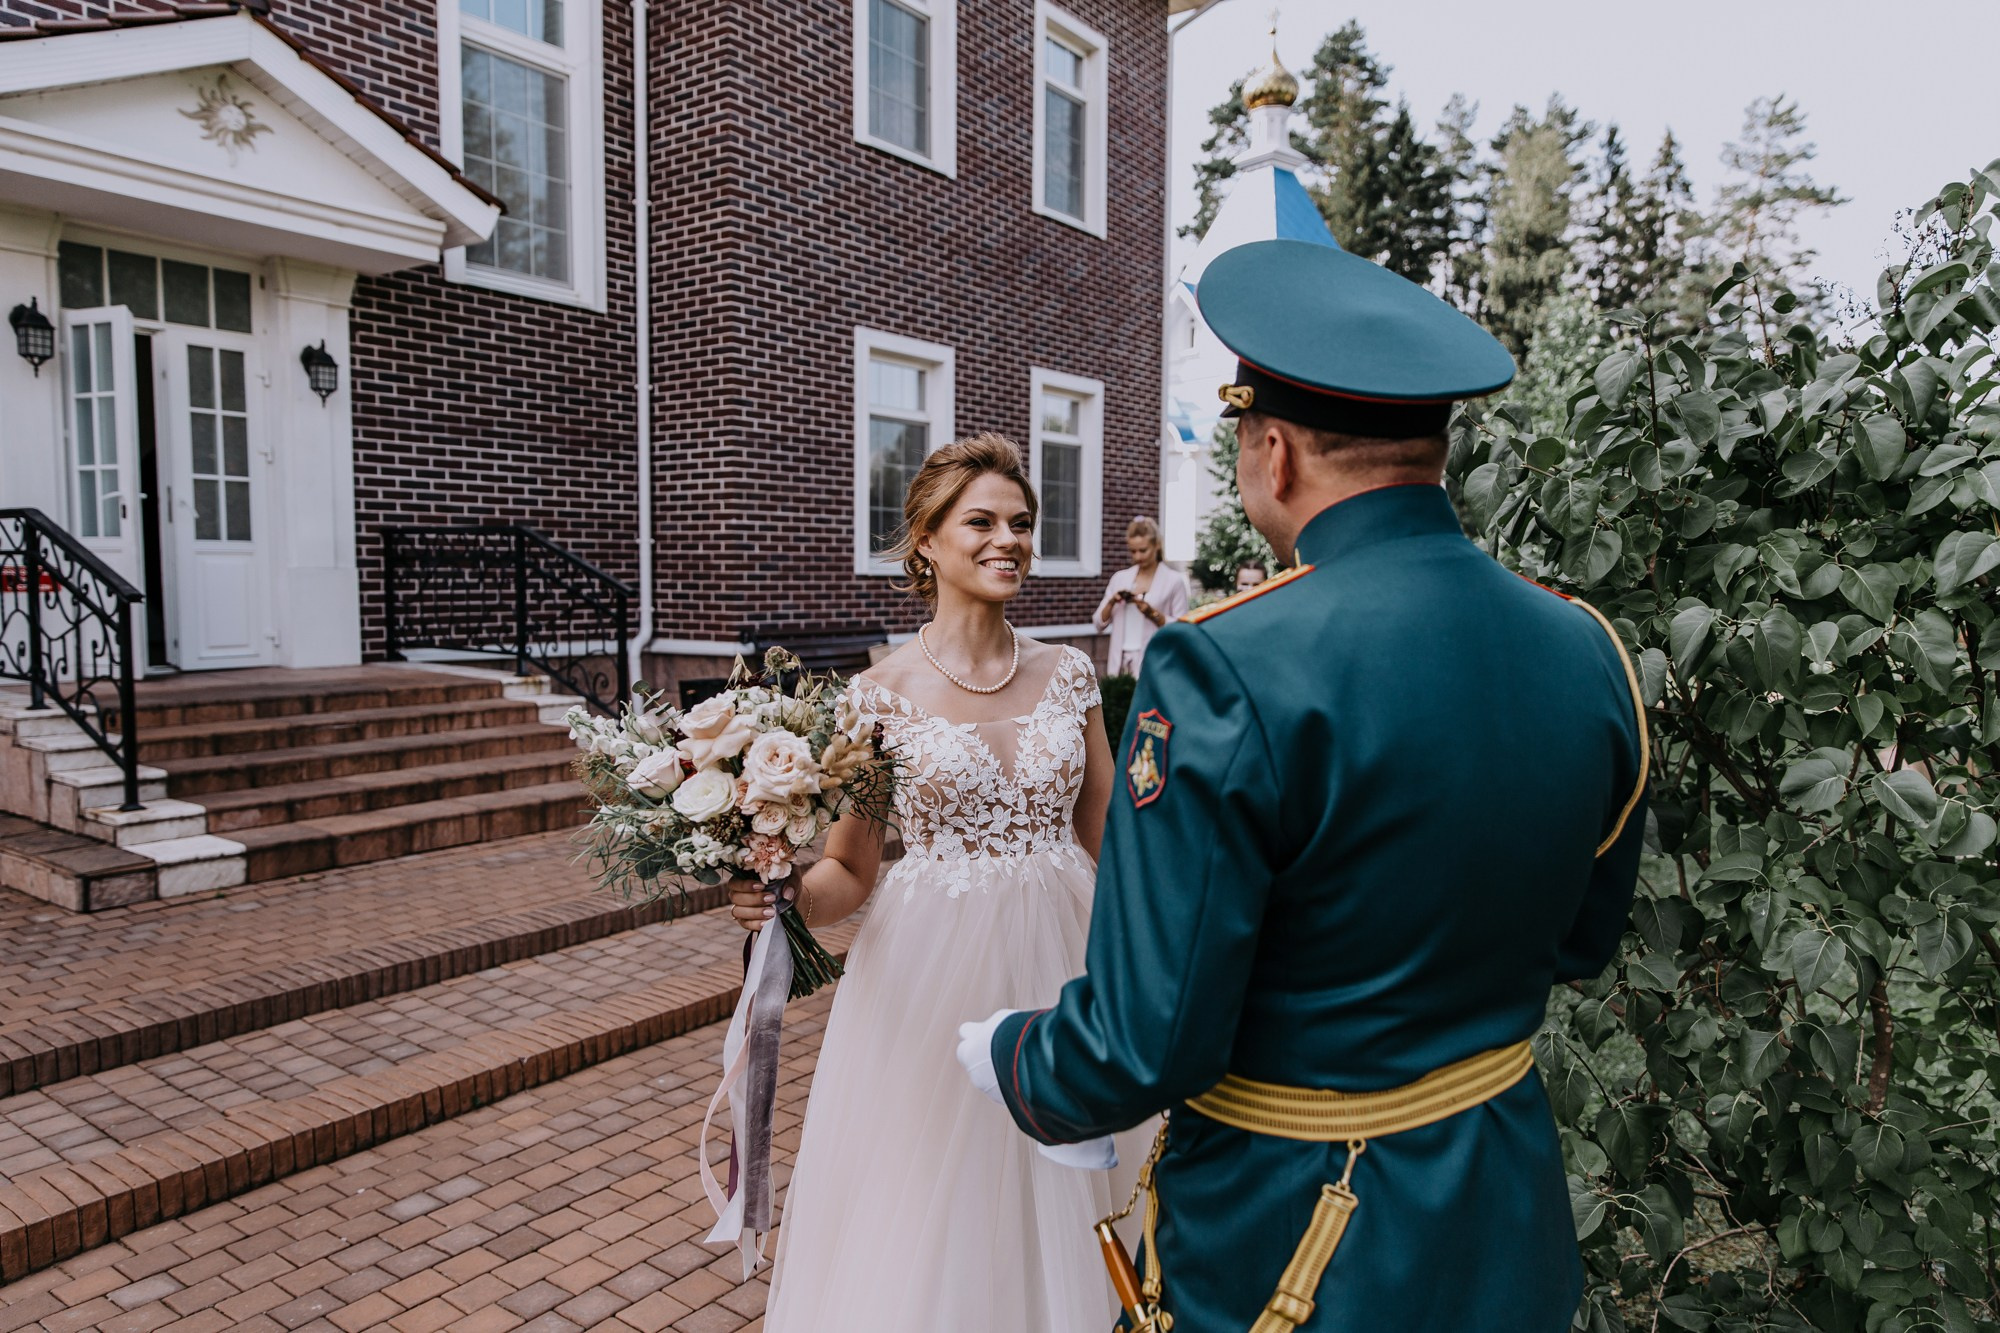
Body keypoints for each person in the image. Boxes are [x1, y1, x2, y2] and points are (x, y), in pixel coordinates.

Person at [957, 239, 1649, 1332]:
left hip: (1298, 1237)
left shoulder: (1225, 665)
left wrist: (1012, 1054)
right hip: (1501, 1198)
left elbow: (1149, 1037)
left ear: (1272, 453)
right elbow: (1579, 940)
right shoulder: (1586, 646)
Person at [731, 433, 1126, 1332]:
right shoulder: (877, 693)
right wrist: (782, 890)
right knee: (934, 1197)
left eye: (1022, 523)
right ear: (927, 541)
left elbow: (1112, 840)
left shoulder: (1070, 674)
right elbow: (851, 869)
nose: (1009, 540)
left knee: (1070, 1179)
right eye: (981, 520)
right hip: (927, 977)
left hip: (1067, 951)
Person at [1093, 517, 1189, 678]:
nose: (1137, 556)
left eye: (1143, 550)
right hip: (1120, 660)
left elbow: (1183, 628)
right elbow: (1098, 623)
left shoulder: (1174, 580)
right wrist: (1111, 602)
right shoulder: (1120, 578)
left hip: (1154, 658)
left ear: (1156, 545)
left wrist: (1153, 614)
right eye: (1133, 551)